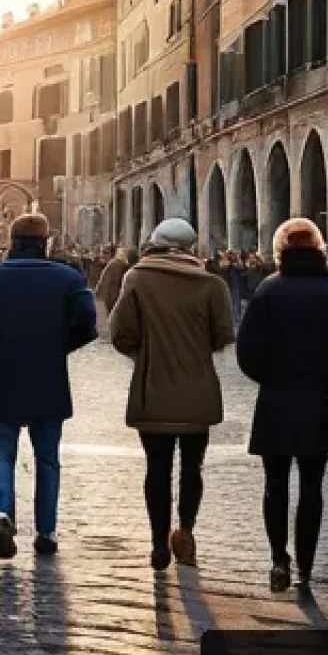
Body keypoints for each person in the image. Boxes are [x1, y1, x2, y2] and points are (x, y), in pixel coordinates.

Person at [0, 213, 97, 559]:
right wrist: (58, 347)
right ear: (46, 242)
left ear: (11, 241)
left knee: (2, 453)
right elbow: (88, 323)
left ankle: (3, 515)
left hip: (2, 375)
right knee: (47, 458)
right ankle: (46, 531)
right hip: (48, 375)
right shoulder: (68, 277)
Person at [237, 218, 328, 594]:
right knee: (312, 485)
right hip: (318, 399)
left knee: (274, 484)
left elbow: (246, 353)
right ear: (319, 250)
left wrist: (271, 377)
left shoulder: (267, 290)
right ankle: (306, 566)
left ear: (281, 252)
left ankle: (279, 560)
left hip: (275, 399)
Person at [109, 218, 235, 571]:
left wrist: (145, 355)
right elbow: (223, 334)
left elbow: (121, 334)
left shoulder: (136, 279)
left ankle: (157, 543)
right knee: (192, 467)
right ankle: (186, 532)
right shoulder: (212, 285)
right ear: (190, 248)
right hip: (198, 392)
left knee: (157, 469)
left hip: (153, 391)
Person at [95, 247, 129, 311]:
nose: (102, 256)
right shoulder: (122, 265)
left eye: (105, 253)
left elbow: (104, 278)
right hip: (114, 294)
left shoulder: (113, 264)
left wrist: (98, 290)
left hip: (112, 294)